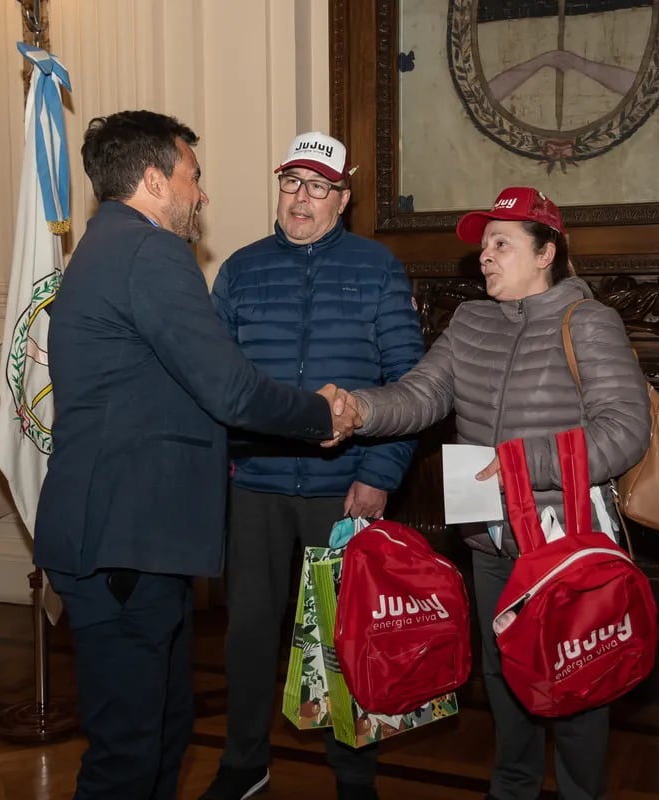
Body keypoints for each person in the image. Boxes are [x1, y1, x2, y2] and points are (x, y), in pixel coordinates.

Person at [32, 110, 359, 800]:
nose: (202, 195)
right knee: (127, 756)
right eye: (194, 176)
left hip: (128, 540)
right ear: (155, 179)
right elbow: (229, 389)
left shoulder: (105, 246)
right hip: (122, 540)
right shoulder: (149, 252)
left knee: (160, 733)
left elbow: (178, 408)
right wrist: (320, 415)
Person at [347, 186, 650, 800]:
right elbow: (421, 395)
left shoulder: (587, 322)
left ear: (546, 253)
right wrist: (357, 408)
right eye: (483, 245)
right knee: (505, 677)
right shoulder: (469, 321)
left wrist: (522, 463)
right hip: (491, 541)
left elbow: (625, 433)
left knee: (574, 681)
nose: (484, 255)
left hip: (566, 542)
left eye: (501, 242)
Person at [199, 131, 424, 800]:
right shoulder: (238, 269)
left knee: (344, 638)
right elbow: (216, 379)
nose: (300, 199)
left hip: (344, 491)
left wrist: (381, 475)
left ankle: (354, 776)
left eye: (317, 187)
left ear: (342, 199)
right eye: (291, 183)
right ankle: (244, 763)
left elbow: (407, 383)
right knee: (247, 637)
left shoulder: (378, 268)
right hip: (257, 486)